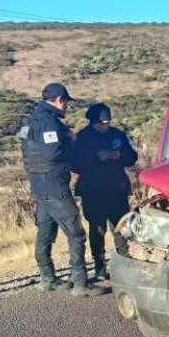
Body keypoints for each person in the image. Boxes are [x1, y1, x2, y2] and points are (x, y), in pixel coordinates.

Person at [18, 82, 103, 296]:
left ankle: (47, 279)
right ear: (60, 100)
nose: (67, 108)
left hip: (39, 184)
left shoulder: (31, 119)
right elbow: (53, 154)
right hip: (53, 185)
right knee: (76, 233)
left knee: (46, 231)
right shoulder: (49, 123)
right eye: (66, 103)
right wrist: (71, 141)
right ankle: (81, 283)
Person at [72, 102, 138, 280]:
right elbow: (74, 164)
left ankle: (125, 263)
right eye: (101, 123)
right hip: (93, 190)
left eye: (108, 122)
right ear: (92, 122)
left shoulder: (118, 135)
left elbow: (132, 157)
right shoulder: (82, 138)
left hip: (117, 189)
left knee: (121, 227)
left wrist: (119, 156)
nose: (105, 126)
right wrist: (95, 159)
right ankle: (100, 267)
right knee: (97, 229)